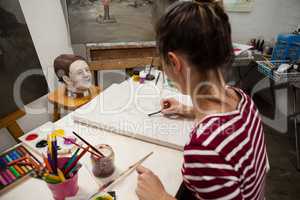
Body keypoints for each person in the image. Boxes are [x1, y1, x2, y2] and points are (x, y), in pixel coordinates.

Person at [135, 0, 268, 200]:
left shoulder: (204, 148)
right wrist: (187, 109)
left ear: (173, 62)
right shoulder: (242, 99)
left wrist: (161, 197)